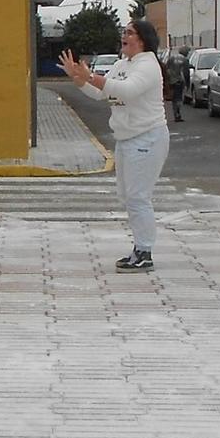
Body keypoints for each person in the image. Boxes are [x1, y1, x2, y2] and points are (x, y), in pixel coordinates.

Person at [61, 19, 168, 272]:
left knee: (138, 197)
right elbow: (101, 94)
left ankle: (144, 251)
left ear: (142, 39)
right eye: (124, 32)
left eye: (129, 33)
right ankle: (139, 248)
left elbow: (126, 91)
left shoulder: (149, 65)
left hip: (147, 137)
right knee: (128, 196)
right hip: (126, 138)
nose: (124, 36)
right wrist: (79, 79)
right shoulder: (122, 64)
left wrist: (92, 76)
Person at [163, 47, 187, 123]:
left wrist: (167, 80)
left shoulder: (172, 58)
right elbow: (186, 73)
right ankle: (178, 113)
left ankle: (175, 114)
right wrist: (187, 83)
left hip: (172, 81)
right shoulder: (185, 60)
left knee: (174, 99)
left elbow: (166, 69)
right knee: (179, 98)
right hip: (179, 81)